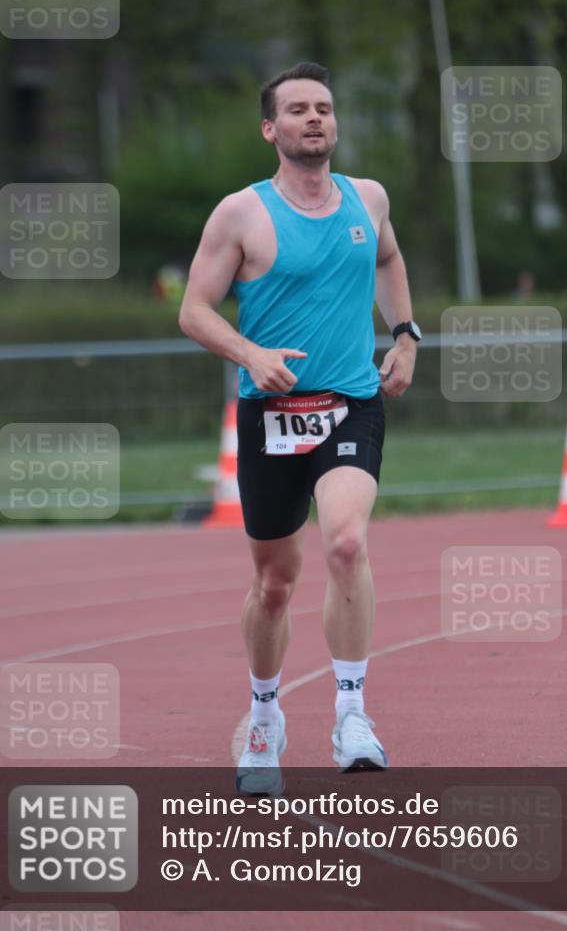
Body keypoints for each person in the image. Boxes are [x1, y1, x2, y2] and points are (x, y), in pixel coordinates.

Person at [179, 62, 420, 795]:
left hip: (350, 402)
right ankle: (263, 715)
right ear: (270, 129)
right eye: (297, 110)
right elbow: (194, 310)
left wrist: (405, 332)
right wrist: (250, 353)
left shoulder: (367, 198)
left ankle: (351, 713)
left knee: (346, 541)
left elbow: (387, 257)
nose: (314, 118)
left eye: (323, 107)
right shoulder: (240, 215)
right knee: (274, 583)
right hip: (269, 418)